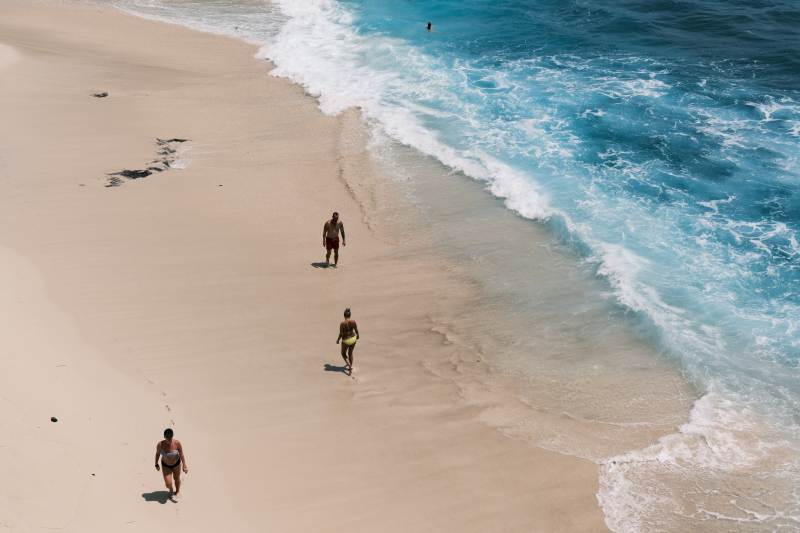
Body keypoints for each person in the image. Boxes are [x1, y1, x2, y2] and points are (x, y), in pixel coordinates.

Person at [154, 428, 188, 497]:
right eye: (167, 438)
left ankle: (177, 491)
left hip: (176, 464)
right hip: (166, 465)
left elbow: (181, 454)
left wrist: (184, 465)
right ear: (164, 437)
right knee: (168, 483)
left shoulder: (177, 443)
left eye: (170, 437)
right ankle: (171, 489)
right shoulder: (160, 445)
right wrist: (156, 464)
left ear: (172, 436)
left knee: (177, 478)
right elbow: (157, 454)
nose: (169, 439)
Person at [336, 308, 359, 375]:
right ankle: (350, 367)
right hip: (353, 339)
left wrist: (338, 340)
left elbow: (341, 334)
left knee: (343, 353)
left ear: (344, 315)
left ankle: (349, 366)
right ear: (350, 315)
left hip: (346, 340)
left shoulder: (342, 324)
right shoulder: (353, 322)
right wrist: (358, 335)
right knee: (350, 353)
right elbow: (356, 330)